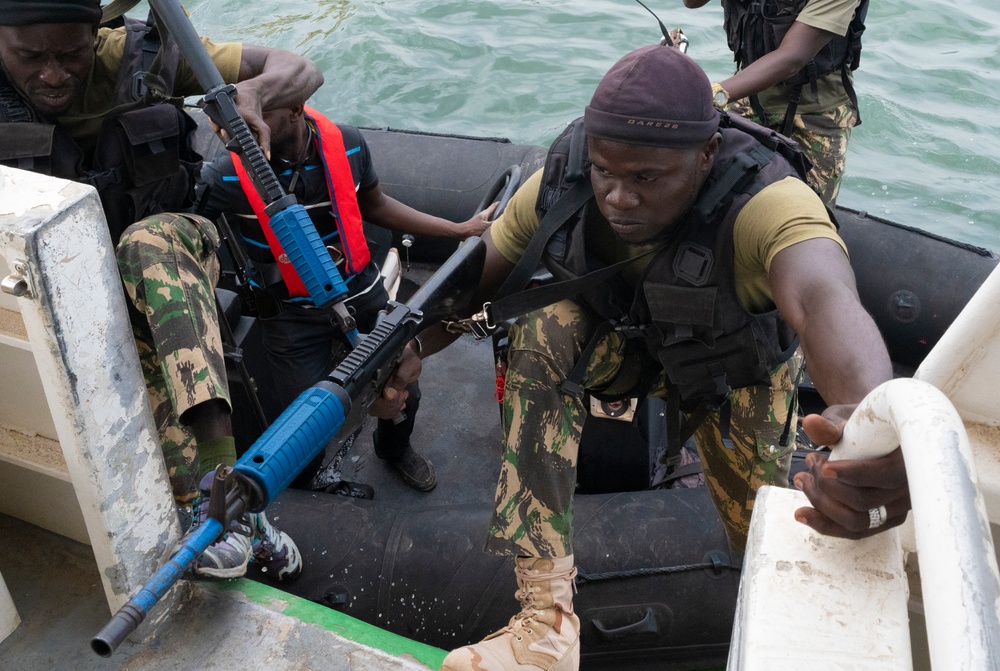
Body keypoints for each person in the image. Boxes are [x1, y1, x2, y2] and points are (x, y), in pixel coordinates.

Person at [414, 45, 908, 671]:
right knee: (542, 324)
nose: (619, 197)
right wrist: (409, 348)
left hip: (732, 373)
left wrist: (870, 423)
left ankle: (801, 630)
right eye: (606, 173)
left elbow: (824, 299)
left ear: (704, 156)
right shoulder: (565, 182)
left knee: (759, 526)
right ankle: (545, 629)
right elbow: (476, 281)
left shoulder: (766, 202)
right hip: (625, 347)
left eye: (646, 178)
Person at [0, 0, 325, 581]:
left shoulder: (133, 55)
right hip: (65, 289)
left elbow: (299, 67)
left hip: (171, 250)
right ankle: (230, 518)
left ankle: (225, 492)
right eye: (31, 57)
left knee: (147, 244)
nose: (53, 75)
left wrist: (252, 93)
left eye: (71, 53)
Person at [197, 102, 494, 492]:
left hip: (361, 291)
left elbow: (377, 204)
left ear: (294, 107)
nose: (241, 126)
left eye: (260, 112)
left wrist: (458, 230)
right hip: (290, 315)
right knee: (300, 424)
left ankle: (393, 449)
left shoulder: (349, 144)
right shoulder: (223, 177)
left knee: (406, 387)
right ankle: (306, 482)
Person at [681, 0, 868, 206]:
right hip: (748, 96)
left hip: (817, 116)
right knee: (701, 193)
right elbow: (692, 2)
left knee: (805, 218)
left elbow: (793, 57)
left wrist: (710, 96)